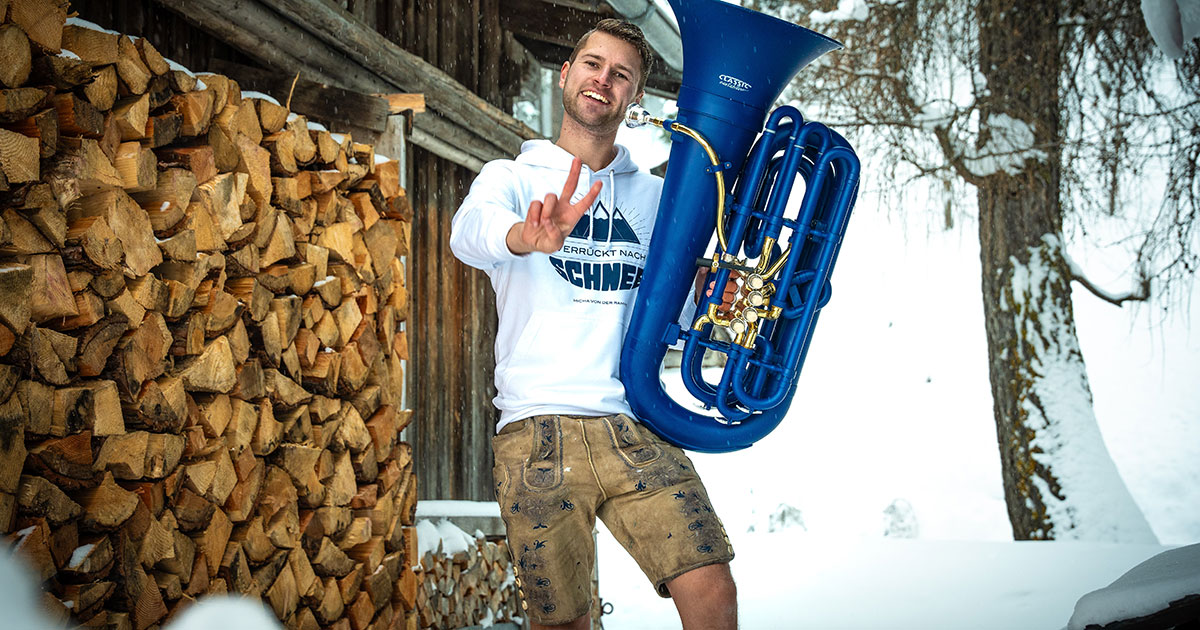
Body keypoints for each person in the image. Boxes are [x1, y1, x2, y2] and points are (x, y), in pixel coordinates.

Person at [449, 19, 738, 630]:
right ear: (566, 74)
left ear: (633, 98)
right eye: (592, 64)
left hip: (635, 420)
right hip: (538, 432)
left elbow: (672, 315)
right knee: (565, 625)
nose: (602, 80)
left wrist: (707, 297)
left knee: (712, 588)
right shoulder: (511, 179)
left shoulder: (659, 198)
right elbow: (467, 236)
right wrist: (525, 236)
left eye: (621, 74)